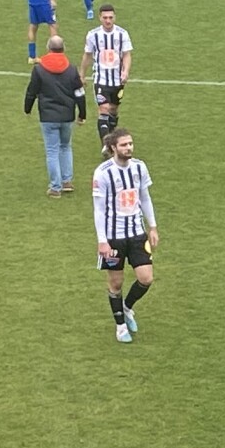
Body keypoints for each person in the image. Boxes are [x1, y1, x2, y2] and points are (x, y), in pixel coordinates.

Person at [93, 129, 158, 343]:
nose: (129, 147)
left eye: (130, 143)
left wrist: (153, 227)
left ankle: (127, 307)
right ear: (113, 148)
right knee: (116, 283)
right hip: (113, 238)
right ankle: (120, 326)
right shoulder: (103, 173)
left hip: (137, 234)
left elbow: (145, 198)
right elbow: (99, 210)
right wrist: (102, 240)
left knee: (146, 278)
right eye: (124, 145)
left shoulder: (139, 167)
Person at [25, 35, 87, 198]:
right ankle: (67, 181)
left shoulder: (39, 69)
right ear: (63, 48)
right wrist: (82, 114)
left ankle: (55, 187)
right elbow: (79, 94)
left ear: (48, 48)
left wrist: (27, 108)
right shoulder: (71, 69)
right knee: (65, 147)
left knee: (52, 151)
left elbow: (32, 91)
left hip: (48, 116)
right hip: (67, 116)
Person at [81, 4, 132, 155]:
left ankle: (111, 138)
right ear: (100, 18)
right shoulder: (93, 35)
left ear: (114, 17)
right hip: (101, 79)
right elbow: (87, 55)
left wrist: (126, 71)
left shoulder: (122, 34)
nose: (108, 21)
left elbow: (127, 54)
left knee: (113, 111)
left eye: (110, 18)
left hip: (117, 81)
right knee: (103, 110)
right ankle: (107, 145)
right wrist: (81, 74)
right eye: (105, 18)